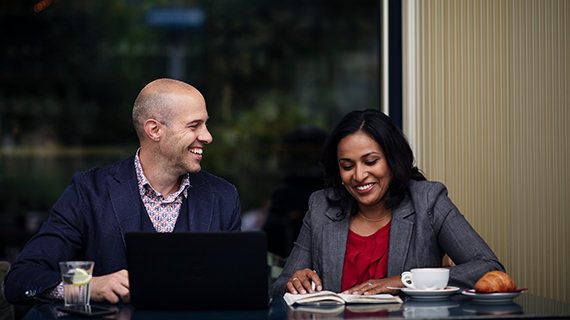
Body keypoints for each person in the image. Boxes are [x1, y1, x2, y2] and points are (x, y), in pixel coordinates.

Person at [3, 78, 241, 304]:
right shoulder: (88, 192)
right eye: (194, 125)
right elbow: (21, 279)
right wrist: (88, 286)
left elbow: (237, 287)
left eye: (205, 124)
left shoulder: (223, 197)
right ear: (154, 130)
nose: (207, 136)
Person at [270, 109, 504, 296]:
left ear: (393, 160)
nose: (359, 175)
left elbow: (488, 267)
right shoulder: (322, 207)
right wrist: (295, 282)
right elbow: (280, 287)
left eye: (370, 161)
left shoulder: (428, 201)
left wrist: (403, 282)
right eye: (347, 166)